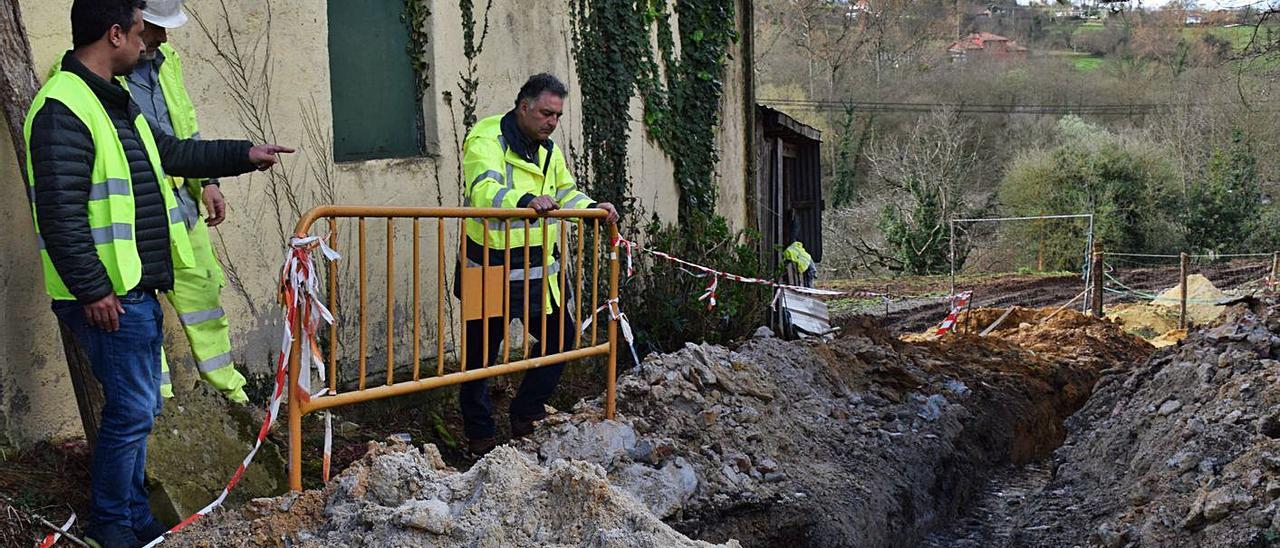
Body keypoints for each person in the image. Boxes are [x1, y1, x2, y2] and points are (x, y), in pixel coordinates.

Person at [23, 1, 292, 546]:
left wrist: (242, 153)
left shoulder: (111, 99)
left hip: (132, 291)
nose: (147, 43)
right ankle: (113, 527)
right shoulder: (63, 106)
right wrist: (94, 288)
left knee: (137, 413)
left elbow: (169, 151)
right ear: (115, 33)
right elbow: (58, 212)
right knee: (129, 416)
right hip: (109, 298)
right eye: (141, 33)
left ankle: (132, 517)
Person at [456, 73, 618, 456]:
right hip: (490, 266)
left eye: (558, 116)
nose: (552, 122)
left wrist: (592, 208)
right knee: (480, 359)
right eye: (546, 113)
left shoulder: (547, 150)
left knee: (560, 340)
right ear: (523, 106)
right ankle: (480, 437)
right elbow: (483, 188)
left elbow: (565, 191)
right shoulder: (486, 138)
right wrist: (524, 198)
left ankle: (525, 415)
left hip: (535, 269)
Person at [122, 0, 248, 403]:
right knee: (142, 320)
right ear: (126, 23)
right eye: (154, 27)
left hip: (184, 207)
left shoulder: (167, 58)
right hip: (138, 214)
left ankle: (233, 402)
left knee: (205, 304)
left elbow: (185, 125)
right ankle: (162, 421)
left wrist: (208, 180)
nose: (163, 36)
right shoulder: (95, 73)